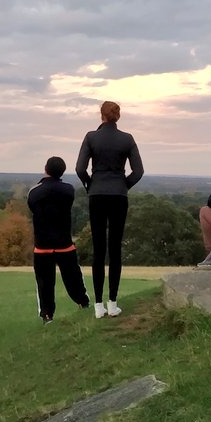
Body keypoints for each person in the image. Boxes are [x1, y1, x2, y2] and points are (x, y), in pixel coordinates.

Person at [75, 100, 143, 319]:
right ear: (118, 116)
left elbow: (79, 168)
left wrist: (89, 184)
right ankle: (112, 303)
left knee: (98, 249)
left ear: (101, 115)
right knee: (115, 249)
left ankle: (97, 306)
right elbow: (138, 171)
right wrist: (124, 185)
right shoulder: (127, 139)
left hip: (97, 194)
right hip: (118, 195)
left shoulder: (91, 137)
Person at [27, 156, 90, 324]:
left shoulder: (34, 192)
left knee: (44, 282)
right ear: (62, 171)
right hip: (64, 244)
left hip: (42, 246)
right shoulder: (68, 190)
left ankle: (47, 316)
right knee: (73, 278)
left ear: (45, 169)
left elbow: (32, 207)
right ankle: (83, 303)